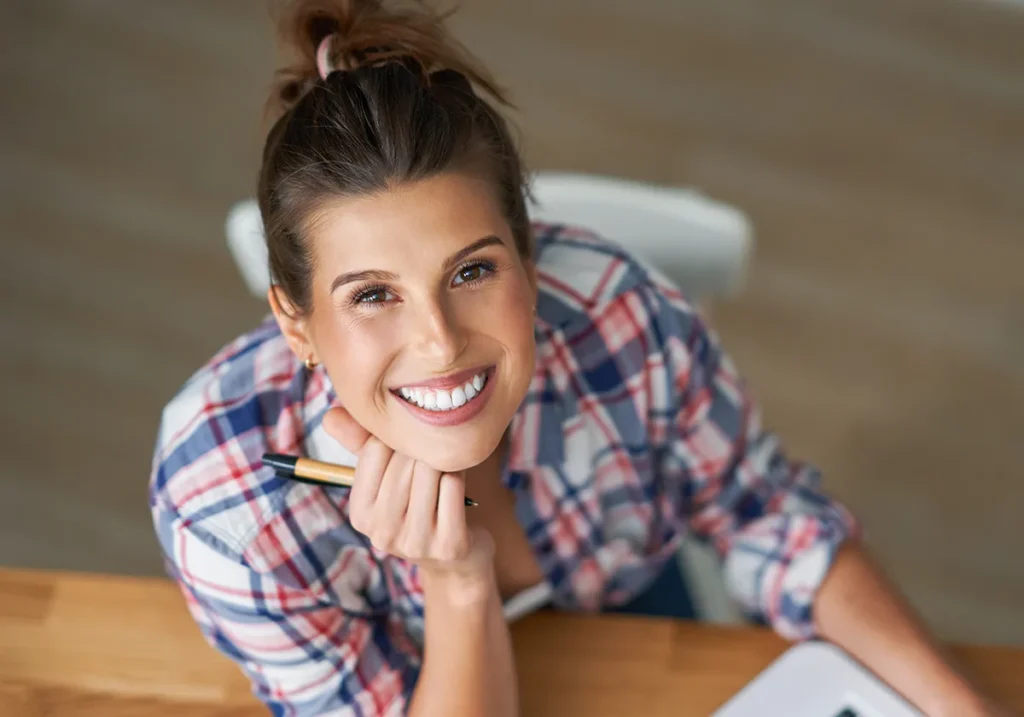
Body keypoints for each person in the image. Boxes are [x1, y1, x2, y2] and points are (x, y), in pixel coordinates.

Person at [148, 2, 1006, 715]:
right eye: (373, 294)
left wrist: (967, 709)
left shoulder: (618, 312)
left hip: (634, 608)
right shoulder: (223, 510)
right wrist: (455, 579)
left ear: (530, 257)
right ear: (295, 324)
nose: (440, 343)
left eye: (472, 270)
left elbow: (763, 513)